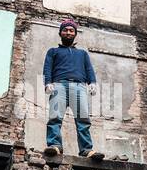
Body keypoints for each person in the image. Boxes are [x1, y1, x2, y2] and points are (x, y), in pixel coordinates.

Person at [42, 18, 104, 160]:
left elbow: (89, 68)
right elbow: (47, 67)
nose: (68, 33)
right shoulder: (53, 51)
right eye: (65, 30)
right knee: (55, 117)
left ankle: (86, 149)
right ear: (60, 33)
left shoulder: (82, 53)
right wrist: (48, 82)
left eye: (71, 30)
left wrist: (92, 82)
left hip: (79, 87)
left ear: (75, 34)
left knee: (83, 119)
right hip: (59, 85)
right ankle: (55, 146)